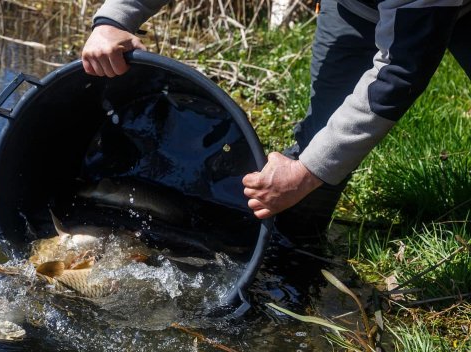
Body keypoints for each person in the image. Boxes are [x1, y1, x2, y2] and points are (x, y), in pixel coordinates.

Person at [81, 0, 471, 239]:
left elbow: (399, 73)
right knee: (319, 140)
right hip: (358, 8)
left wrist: (306, 172)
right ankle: (297, 248)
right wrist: (115, 17)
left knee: (309, 169)